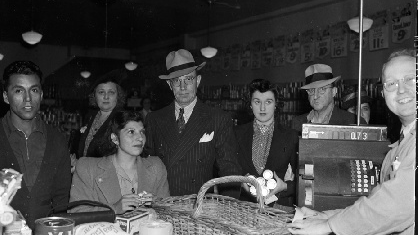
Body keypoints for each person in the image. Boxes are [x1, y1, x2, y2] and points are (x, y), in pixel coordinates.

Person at [289, 49, 415, 235]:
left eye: (410, 79)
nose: (401, 90)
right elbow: (379, 199)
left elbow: (397, 203)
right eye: (391, 84)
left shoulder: (353, 123)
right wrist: (328, 218)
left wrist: (330, 225)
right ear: (383, 92)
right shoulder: (398, 148)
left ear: (334, 91)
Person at [0, 61, 71, 230]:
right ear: (6, 96)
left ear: (41, 95)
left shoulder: (57, 140)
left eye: (34, 90)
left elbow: (62, 198)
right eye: (19, 90)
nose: (28, 98)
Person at [144, 49, 242, 196]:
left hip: (199, 207)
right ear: (170, 85)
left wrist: (227, 210)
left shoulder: (218, 118)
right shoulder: (154, 119)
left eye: (188, 79)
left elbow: (229, 170)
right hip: (163, 204)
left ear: (198, 81)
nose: (183, 87)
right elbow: (146, 167)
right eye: (177, 81)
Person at [70, 111, 170, 214]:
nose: (140, 138)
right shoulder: (88, 168)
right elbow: (76, 212)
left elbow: (168, 213)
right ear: (115, 138)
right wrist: (114, 209)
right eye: (131, 132)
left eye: (142, 132)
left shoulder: (156, 167)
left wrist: (157, 204)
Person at [235, 79, 298, 207]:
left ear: (276, 104)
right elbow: (225, 171)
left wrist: (284, 186)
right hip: (242, 208)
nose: (262, 108)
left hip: (278, 209)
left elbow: (302, 181)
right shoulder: (236, 133)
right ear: (250, 104)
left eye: (268, 102)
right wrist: (240, 182)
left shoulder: (291, 136)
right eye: (257, 101)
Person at [71, 76, 126, 171]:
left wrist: (81, 166)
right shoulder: (90, 116)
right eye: (101, 92)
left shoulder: (122, 120)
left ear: (118, 96)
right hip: (86, 177)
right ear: (94, 96)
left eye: (111, 92)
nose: (106, 97)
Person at [291, 64, 363, 133]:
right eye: (312, 90)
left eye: (322, 89)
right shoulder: (297, 123)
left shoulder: (353, 122)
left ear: (334, 92)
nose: (315, 96)